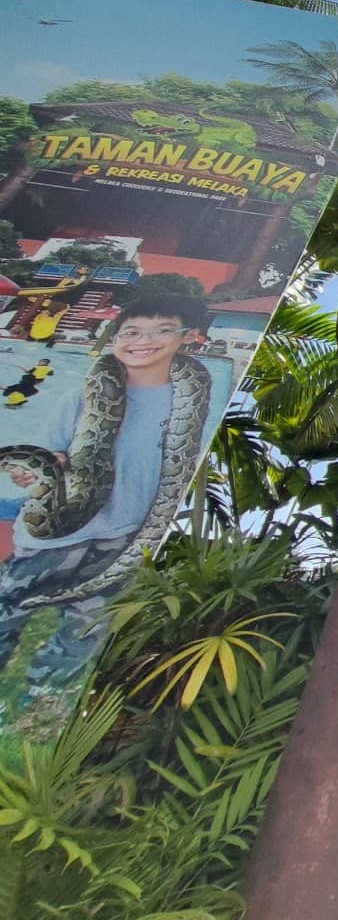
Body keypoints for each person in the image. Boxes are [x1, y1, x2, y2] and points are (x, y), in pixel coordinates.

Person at [0, 293, 212, 700]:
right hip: (55, 534)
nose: (142, 340)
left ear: (189, 338)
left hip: (127, 531)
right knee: (11, 604)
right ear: (115, 340)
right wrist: (42, 467)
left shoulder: (191, 396)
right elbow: (47, 453)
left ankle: (41, 698)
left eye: (161, 330)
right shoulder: (81, 395)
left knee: (89, 622)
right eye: (130, 332)